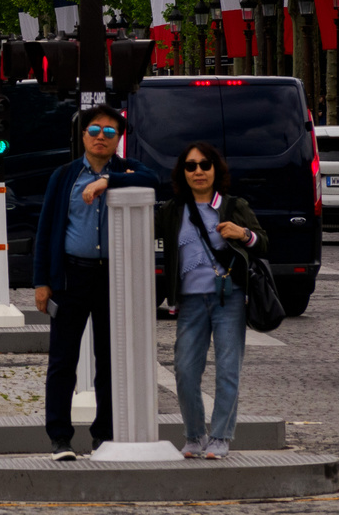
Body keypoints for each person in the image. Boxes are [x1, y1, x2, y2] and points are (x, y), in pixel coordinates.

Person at [32, 103, 158, 460]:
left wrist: (108, 181)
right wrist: (42, 281)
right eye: (95, 131)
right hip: (72, 276)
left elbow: (155, 180)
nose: (101, 137)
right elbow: (46, 232)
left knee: (110, 360)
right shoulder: (65, 176)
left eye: (109, 132)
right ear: (83, 135)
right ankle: (59, 437)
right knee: (62, 362)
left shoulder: (128, 169)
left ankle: (104, 435)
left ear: (119, 139)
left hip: (113, 278)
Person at [162, 142, 264, 459]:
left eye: (205, 165)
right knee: (185, 370)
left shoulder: (234, 205)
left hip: (229, 297)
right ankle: (194, 435)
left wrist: (244, 234)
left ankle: (220, 437)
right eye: (190, 166)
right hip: (190, 301)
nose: (198, 171)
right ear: (183, 172)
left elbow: (263, 242)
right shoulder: (172, 210)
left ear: (215, 169)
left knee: (227, 369)